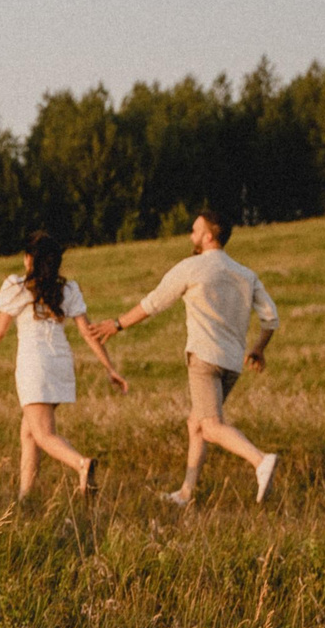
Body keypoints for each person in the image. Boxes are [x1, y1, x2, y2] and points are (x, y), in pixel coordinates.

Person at [94, 207, 282, 505]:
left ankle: (260, 460)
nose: (190, 235)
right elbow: (270, 318)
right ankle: (186, 493)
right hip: (232, 364)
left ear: (208, 236)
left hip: (204, 360)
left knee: (209, 425)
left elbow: (154, 302)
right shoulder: (246, 274)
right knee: (196, 423)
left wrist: (117, 324)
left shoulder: (191, 267)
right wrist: (258, 348)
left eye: (194, 230)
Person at [0, 231, 127, 499]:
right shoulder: (67, 289)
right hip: (60, 363)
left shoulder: (17, 287)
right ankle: (25, 496)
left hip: (34, 364)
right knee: (29, 432)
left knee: (42, 433)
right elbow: (88, 333)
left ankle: (81, 464)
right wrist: (110, 368)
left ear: (29, 259)